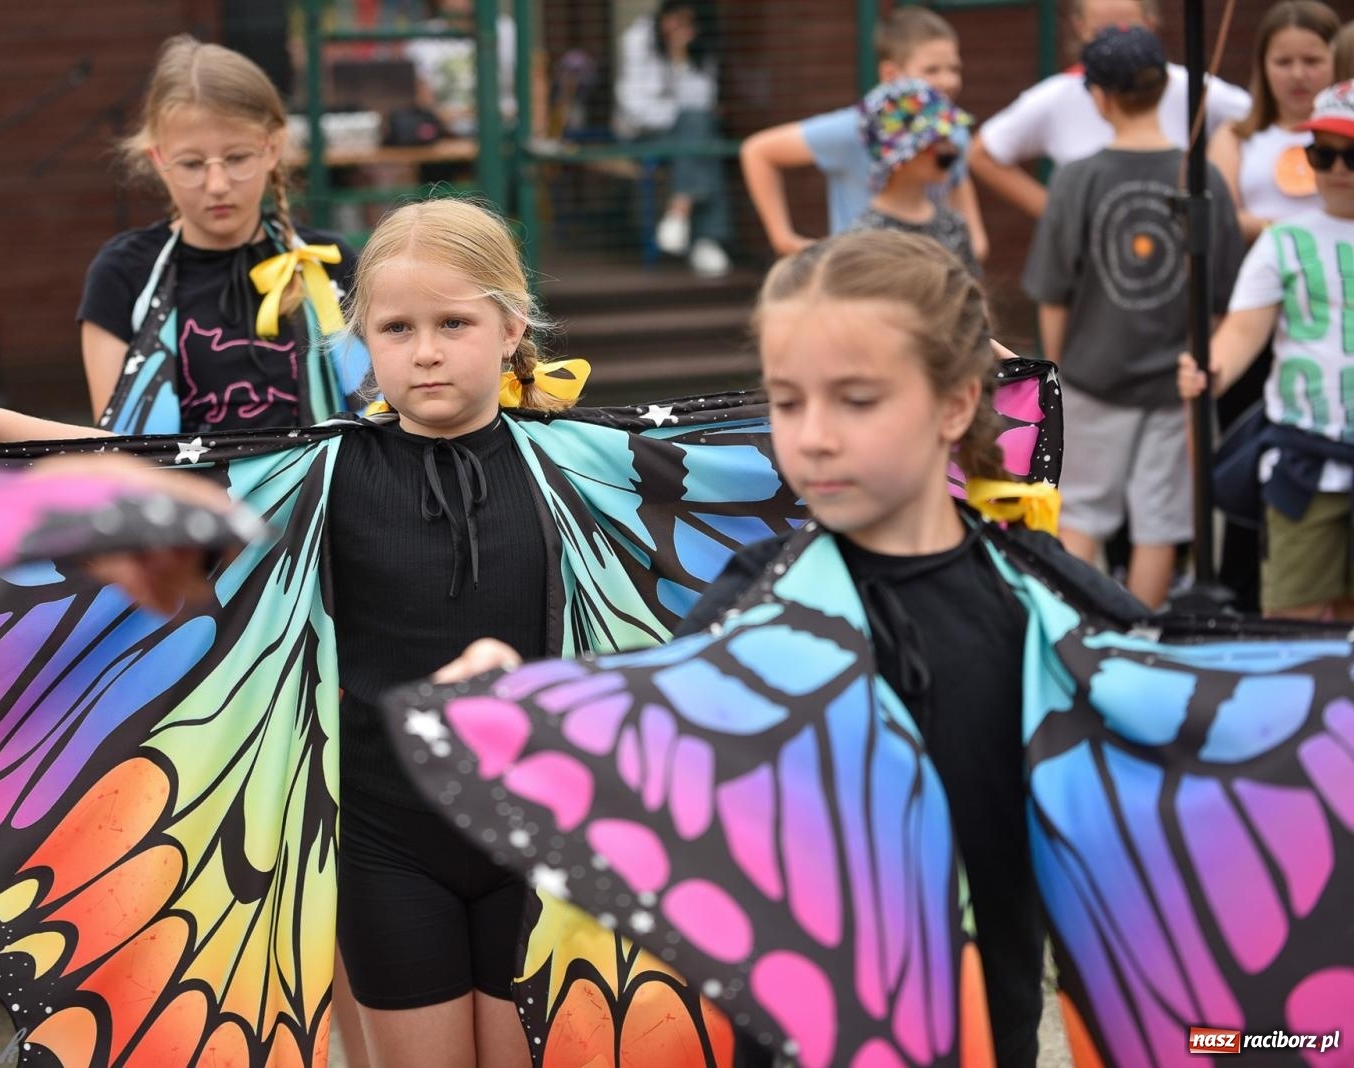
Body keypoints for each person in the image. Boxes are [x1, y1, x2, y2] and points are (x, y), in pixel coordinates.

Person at [0, 197, 801, 1068]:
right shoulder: (322, 471)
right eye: (397, 329)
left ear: (512, 329)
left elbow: (763, 471)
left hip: (541, 846)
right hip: (386, 849)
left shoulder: (579, 464)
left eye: (454, 324)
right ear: (362, 344)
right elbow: (142, 476)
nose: (426, 351)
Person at [427, 230, 1121, 1067]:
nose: (815, 436)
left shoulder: (1046, 605)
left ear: (954, 405)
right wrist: (535, 710)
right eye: (789, 402)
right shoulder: (750, 598)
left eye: (857, 399)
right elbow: (657, 759)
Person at [1023, 26, 1243, 609]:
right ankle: (1143, 635)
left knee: (1081, 518)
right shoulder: (1205, 179)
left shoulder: (1076, 179)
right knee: (1158, 527)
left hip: (1092, 377)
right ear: (1163, 85)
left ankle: (1079, 630)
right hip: (1177, 385)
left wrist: (1058, 372)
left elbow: (1052, 292)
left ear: (1100, 97)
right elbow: (1223, 298)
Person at [79, 34, 363, 437]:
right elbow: (115, 445)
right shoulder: (124, 272)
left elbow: (380, 402)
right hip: (183, 496)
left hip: (319, 495)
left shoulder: (328, 260)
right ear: (157, 158)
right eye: (192, 163)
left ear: (273, 148)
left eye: (237, 158)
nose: (216, 184)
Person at [1179, 80, 1354, 621]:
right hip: (1307, 454)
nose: (1338, 169)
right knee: (1292, 618)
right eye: (1322, 154)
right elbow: (1241, 331)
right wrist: (1211, 368)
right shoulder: (1285, 239)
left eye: (1352, 154)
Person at [739, 6, 988, 260]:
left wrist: (967, 250)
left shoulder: (954, 131)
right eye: (932, 70)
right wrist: (785, 240)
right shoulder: (855, 128)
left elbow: (961, 198)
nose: (948, 81)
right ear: (891, 74)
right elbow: (758, 150)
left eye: (954, 69)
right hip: (861, 277)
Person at [969, 0, 1251, 219]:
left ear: (1151, 24)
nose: (1118, 44)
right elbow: (983, 152)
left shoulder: (1191, 87)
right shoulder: (1060, 96)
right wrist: (1059, 216)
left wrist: (1220, 174)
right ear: (1100, 100)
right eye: (1102, 32)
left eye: (1129, 28)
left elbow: (1253, 117)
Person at [614, 0, 732, 277]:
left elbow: (703, 101)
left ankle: (679, 212)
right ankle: (707, 240)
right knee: (703, 136)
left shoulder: (701, 49)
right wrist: (678, 114)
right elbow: (637, 110)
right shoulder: (637, 39)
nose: (678, 29)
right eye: (674, 19)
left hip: (686, 137)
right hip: (642, 137)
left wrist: (680, 61)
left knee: (700, 132)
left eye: (687, 23)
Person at [1210, 1, 1338, 244]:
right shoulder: (1234, 134)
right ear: (1263, 66)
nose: (1298, 75)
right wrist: (1289, 232)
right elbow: (1221, 216)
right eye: (1283, 62)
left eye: (1312, 61)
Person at [849, 79, 979, 274]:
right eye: (937, 141)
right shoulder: (866, 238)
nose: (950, 150)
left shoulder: (953, 225)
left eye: (948, 137)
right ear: (901, 156)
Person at [406, 0, 518, 138]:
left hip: (505, 132)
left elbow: (534, 84)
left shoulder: (507, 29)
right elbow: (424, 100)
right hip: (447, 135)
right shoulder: (423, 37)